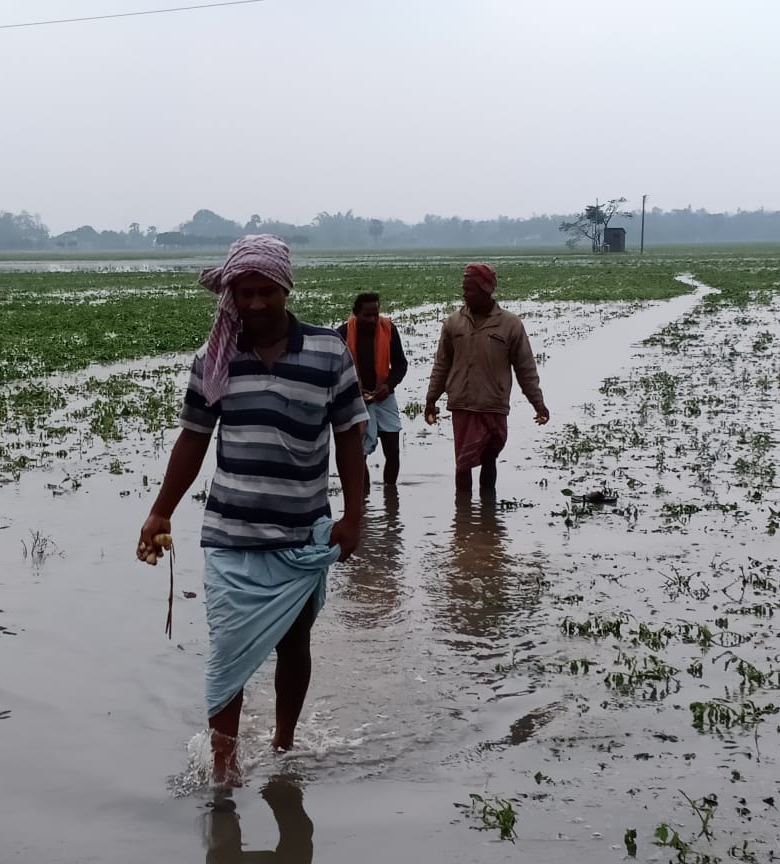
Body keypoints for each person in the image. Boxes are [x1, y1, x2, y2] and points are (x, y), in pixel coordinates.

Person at [135, 234, 368, 787]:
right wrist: (160, 510)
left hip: (300, 536)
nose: (257, 303)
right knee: (229, 651)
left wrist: (355, 517)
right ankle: (224, 764)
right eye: (246, 293)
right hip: (230, 535)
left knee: (294, 642)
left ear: (286, 289)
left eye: (267, 292)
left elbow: (350, 441)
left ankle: (284, 745)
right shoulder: (214, 360)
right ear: (232, 295)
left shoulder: (328, 352)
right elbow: (192, 440)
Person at [424, 263, 549, 495]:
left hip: (494, 403)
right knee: (462, 464)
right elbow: (442, 364)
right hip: (462, 403)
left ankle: (486, 518)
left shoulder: (510, 325)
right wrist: (431, 399)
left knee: (490, 458)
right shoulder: (453, 323)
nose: (464, 294)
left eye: (469, 289)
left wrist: (538, 404)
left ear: (485, 290)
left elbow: (525, 369)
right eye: (464, 289)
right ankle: (463, 518)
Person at [336, 293, 408, 491]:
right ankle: (363, 496)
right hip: (357, 399)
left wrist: (389, 385)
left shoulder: (389, 329)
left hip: (384, 396)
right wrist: (351, 389)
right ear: (356, 314)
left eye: (375, 314)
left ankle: (390, 495)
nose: (372, 320)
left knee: (392, 450)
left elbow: (401, 364)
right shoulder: (342, 333)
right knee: (360, 453)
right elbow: (335, 370)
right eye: (367, 315)